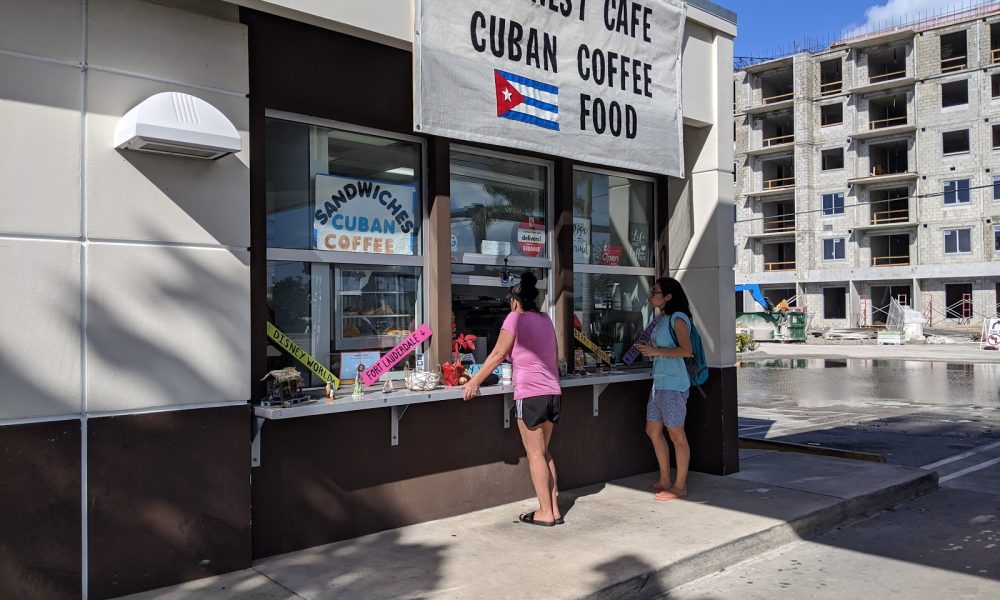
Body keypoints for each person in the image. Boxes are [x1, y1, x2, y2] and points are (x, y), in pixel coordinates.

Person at [462, 272, 563, 526]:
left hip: (530, 394)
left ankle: (545, 513)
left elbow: (497, 353)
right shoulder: (545, 319)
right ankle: (554, 509)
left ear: (515, 301)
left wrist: (474, 381)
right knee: (544, 452)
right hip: (552, 392)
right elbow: (552, 354)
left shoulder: (514, 318)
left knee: (535, 454)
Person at [634, 277, 693, 501]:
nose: (652, 295)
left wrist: (655, 351)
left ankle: (680, 486)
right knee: (653, 430)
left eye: (656, 292)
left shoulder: (678, 319)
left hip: (674, 385)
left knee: (677, 435)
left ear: (668, 296)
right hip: (659, 384)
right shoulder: (661, 319)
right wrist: (650, 349)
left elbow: (686, 351)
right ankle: (665, 479)